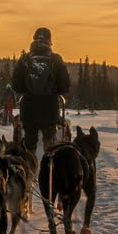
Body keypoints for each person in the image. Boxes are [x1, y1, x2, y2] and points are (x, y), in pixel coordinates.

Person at [10, 27, 71, 156]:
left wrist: (28, 89)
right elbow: (65, 86)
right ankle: (49, 172)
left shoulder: (24, 59)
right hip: (50, 108)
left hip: (29, 108)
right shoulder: (56, 59)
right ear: (50, 41)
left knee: (29, 145)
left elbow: (16, 85)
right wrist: (53, 90)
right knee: (50, 147)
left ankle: (29, 170)